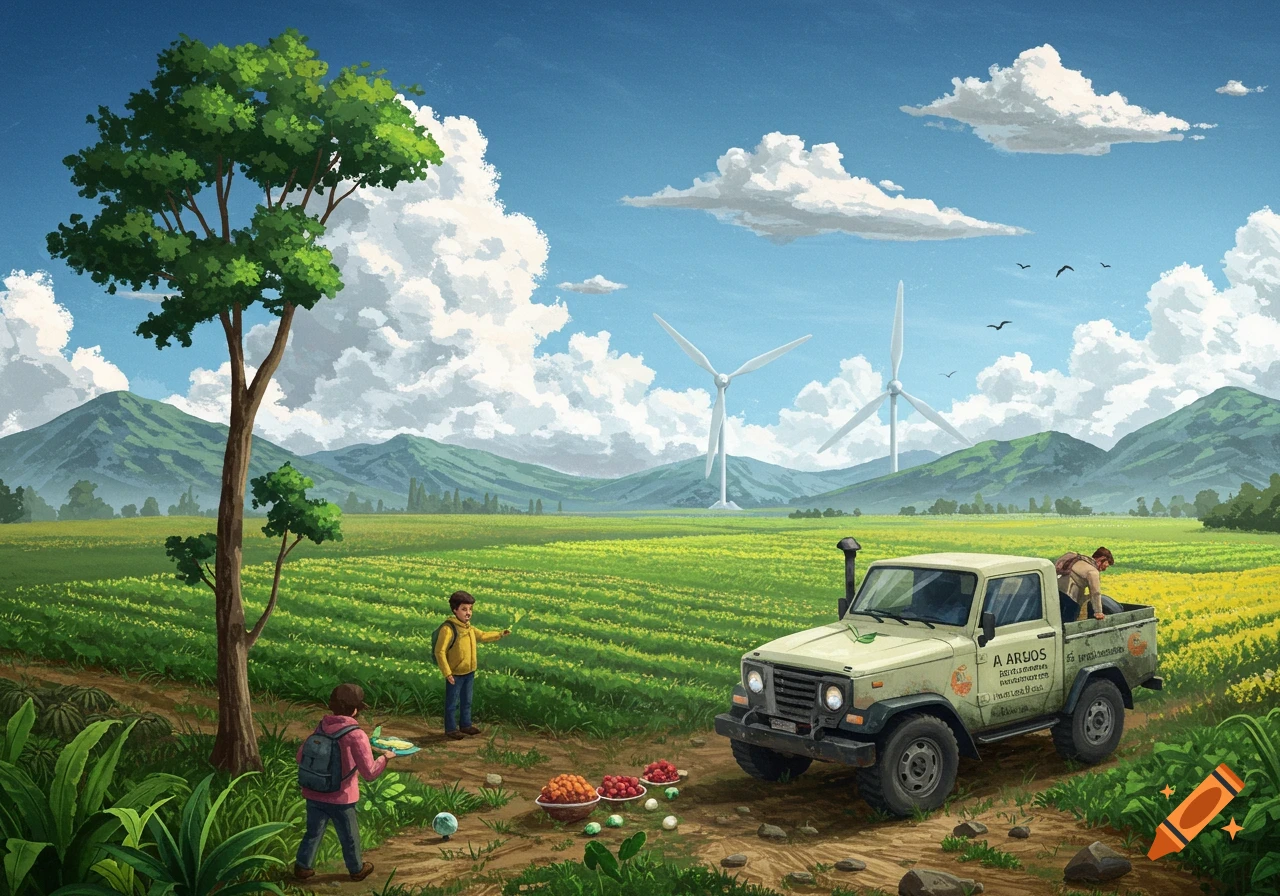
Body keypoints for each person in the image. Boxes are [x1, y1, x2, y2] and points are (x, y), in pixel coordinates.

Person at [294, 683, 395, 882]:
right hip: (342, 797)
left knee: (313, 832)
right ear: (356, 709)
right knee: (349, 836)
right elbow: (369, 772)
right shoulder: (357, 735)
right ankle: (356, 869)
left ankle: (302, 866)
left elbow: (300, 757)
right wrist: (386, 758)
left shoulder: (321, 727)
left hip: (313, 792)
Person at [434, 590, 510, 740]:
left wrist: (500, 634)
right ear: (455, 610)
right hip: (455, 673)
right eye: (464, 609)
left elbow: (482, 636)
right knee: (452, 703)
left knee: (467, 701)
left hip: (469, 672)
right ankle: (450, 729)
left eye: (470, 609)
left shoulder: (468, 627)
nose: (468, 613)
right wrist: (447, 672)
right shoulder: (448, 629)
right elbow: (440, 652)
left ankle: (465, 725)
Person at [1056, 547, 1115, 622]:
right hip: (1069, 596)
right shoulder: (1093, 572)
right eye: (1106, 565)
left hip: (1057, 590)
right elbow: (1095, 592)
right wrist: (1098, 612)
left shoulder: (1080, 560)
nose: (1104, 569)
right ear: (1101, 559)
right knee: (1069, 621)